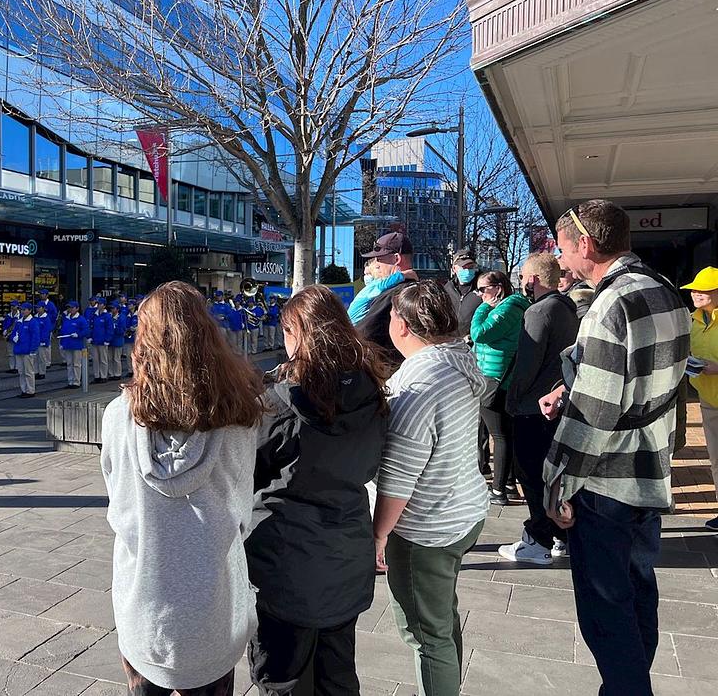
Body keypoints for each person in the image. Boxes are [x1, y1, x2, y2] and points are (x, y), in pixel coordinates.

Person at [540, 199, 690, 696]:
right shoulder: (665, 289)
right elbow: (661, 382)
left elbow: (594, 414)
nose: (559, 257)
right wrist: (569, 386)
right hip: (650, 471)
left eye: (562, 247)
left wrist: (556, 480)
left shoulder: (610, 304)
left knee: (606, 612)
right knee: (639, 593)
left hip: (606, 482)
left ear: (585, 244)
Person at [100, 281, 264, 695]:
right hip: (213, 605)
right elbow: (242, 507)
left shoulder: (118, 416)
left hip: (143, 599)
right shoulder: (238, 418)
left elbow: (117, 501)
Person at [247, 285, 389, 695]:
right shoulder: (372, 394)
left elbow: (247, 471)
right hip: (346, 557)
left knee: (283, 678)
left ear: (298, 335)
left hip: (285, 564)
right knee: (337, 676)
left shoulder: (277, 403)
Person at [373, 281, 489, 696]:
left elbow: (398, 477)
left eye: (391, 315)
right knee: (441, 620)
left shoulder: (419, 387)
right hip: (462, 512)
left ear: (403, 325)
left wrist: (378, 535)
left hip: (426, 531)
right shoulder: (458, 361)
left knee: (426, 635)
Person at [499, 253, 579, 564]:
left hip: (533, 407)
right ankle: (560, 534)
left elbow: (526, 363)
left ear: (532, 280)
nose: (521, 282)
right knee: (553, 474)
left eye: (522, 277)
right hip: (558, 404)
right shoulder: (567, 308)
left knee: (531, 474)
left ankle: (538, 538)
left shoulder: (538, 312)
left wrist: (512, 398)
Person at [470, 270, 529, 505]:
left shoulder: (507, 308)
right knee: (504, 432)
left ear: (498, 288)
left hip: (495, 379)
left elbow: (479, 333)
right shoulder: (508, 308)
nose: (480, 295)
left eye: (483, 290)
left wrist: (482, 308)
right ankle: (508, 484)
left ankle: (498, 491)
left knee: (500, 436)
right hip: (497, 377)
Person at [681, 267, 718, 531]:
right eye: (694, 289)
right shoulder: (693, 320)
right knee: (716, 460)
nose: (695, 293)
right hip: (708, 400)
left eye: (703, 289)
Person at [354, 232, 419, 365]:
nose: (376, 264)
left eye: (379, 259)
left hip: (385, 366)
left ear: (396, 259)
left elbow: (365, 332)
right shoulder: (420, 291)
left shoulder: (392, 293)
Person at [349, 257, 416, 325]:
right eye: (367, 274)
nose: (366, 277)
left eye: (369, 273)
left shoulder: (369, 287)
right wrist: (406, 274)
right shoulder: (374, 285)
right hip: (354, 325)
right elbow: (383, 286)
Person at [444, 252, 483, 338]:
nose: (467, 271)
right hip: (451, 340)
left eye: (470, 267)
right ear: (454, 269)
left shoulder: (482, 288)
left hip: (473, 342)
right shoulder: (447, 288)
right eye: (463, 267)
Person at [59, 300, 89, 388]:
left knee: (76, 364)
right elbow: (63, 331)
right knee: (69, 364)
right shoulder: (66, 318)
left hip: (77, 345)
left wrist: (78, 334)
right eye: (69, 308)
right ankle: (70, 381)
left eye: (72, 307)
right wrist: (62, 343)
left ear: (77, 308)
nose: (70, 309)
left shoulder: (81, 319)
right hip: (67, 344)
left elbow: (86, 331)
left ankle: (76, 381)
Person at [12, 302, 39, 398]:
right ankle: (24, 390)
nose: (22, 311)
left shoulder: (33, 322)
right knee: (21, 372)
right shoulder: (19, 322)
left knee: (28, 372)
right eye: (21, 310)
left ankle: (30, 391)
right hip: (19, 349)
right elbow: (14, 333)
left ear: (30, 310)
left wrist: (33, 350)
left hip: (27, 351)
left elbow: (36, 337)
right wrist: (13, 337)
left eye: (24, 309)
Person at [90, 298, 113, 383]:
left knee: (103, 359)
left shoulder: (107, 316)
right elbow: (91, 326)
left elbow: (110, 329)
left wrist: (107, 339)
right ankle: (97, 376)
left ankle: (103, 376)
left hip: (103, 341)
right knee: (95, 359)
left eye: (100, 304)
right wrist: (89, 337)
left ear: (104, 305)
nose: (98, 305)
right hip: (95, 340)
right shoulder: (94, 315)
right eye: (98, 304)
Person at [108, 302, 126, 381]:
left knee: (116, 358)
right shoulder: (109, 317)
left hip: (118, 340)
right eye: (111, 308)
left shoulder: (121, 317)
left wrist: (115, 328)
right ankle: (111, 373)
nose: (112, 310)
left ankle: (117, 374)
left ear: (117, 309)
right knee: (110, 358)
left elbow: (122, 330)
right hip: (110, 340)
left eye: (113, 308)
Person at [34, 301, 52, 380]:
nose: (37, 309)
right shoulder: (35, 317)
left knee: (42, 357)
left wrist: (43, 341)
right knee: (35, 357)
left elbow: (46, 331)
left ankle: (42, 372)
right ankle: (36, 371)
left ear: (44, 308)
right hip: (35, 341)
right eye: (37, 307)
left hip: (42, 341)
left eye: (39, 307)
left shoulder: (46, 318)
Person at [123, 299, 138, 375]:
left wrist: (135, 328)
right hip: (128, 338)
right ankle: (130, 371)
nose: (129, 306)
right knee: (128, 355)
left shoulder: (138, 314)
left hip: (136, 338)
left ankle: (137, 370)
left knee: (136, 355)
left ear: (134, 306)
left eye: (130, 304)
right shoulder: (127, 315)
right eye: (128, 304)